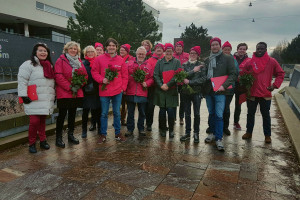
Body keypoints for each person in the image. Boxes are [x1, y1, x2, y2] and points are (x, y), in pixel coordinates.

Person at [242, 42, 284, 143]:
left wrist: (274, 85)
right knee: (250, 114)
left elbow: (281, 73)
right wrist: (245, 82)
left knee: (266, 115)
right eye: (258, 48)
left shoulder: (272, 61)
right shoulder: (250, 61)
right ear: (256, 49)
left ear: (265, 49)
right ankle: (249, 132)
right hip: (252, 93)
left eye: (262, 49)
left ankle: (267, 135)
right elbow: (243, 72)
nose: (260, 50)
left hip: (265, 94)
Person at [18, 43, 55, 153]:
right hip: (33, 99)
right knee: (34, 122)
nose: (43, 52)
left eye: (45, 51)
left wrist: (54, 96)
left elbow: (51, 83)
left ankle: (43, 141)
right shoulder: (28, 64)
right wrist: (23, 95)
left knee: (42, 121)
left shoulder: (49, 65)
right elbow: (22, 81)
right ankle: (32, 143)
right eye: (40, 50)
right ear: (35, 52)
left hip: (45, 98)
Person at [203, 37, 237, 151]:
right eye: (212, 45)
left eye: (216, 44)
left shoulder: (227, 58)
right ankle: (212, 133)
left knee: (219, 115)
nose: (214, 47)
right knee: (211, 113)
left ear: (220, 46)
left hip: (221, 91)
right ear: (210, 47)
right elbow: (204, 76)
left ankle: (218, 138)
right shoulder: (207, 60)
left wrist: (224, 85)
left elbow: (233, 74)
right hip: (209, 91)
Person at [92, 38, 128, 143]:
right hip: (104, 91)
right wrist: (102, 79)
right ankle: (103, 134)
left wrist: (123, 88)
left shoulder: (121, 60)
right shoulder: (99, 59)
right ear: (106, 47)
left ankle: (117, 133)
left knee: (117, 112)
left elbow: (125, 76)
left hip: (117, 91)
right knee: (104, 113)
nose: (111, 47)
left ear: (116, 47)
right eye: (109, 45)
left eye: (113, 45)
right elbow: (94, 72)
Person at [54, 41, 86, 148]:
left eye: (75, 49)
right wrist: (70, 87)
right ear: (67, 49)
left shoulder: (79, 61)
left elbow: (85, 75)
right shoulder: (60, 60)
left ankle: (70, 135)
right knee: (62, 115)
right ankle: (58, 138)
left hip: (75, 92)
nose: (73, 50)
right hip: (64, 92)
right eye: (71, 48)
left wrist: (79, 84)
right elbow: (58, 76)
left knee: (72, 114)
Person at [179, 46, 207, 143]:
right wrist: (193, 71)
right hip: (186, 93)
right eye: (191, 53)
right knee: (187, 113)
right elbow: (182, 76)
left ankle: (196, 133)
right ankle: (187, 132)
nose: (192, 55)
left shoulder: (201, 65)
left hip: (197, 92)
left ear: (198, 55)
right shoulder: (184, 64)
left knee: (197, 113)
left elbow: (203, 79)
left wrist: (190, 82)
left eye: (194, 53)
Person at [125, 46, 154, 137]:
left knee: (142, 112)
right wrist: (125, 88)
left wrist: (147, 83)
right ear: (136, 54)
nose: (140, 55)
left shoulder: (149, 66)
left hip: (142, 92)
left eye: (142, 54)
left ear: (145, 55)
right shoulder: (129, 64)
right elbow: (125, 76)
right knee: (130, 112)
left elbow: (152, 78)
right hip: (131, 91)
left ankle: (141, 128)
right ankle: (130, 129)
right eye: (139, 54)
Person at [153, 43, 181, 138]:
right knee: (162, 111)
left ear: (173, 52)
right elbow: (156, 75)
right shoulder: (159, 62)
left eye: (170, 51)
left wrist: (168, 85)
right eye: (167, 51)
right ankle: (163, 129)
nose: (169, 53)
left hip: (171, 90)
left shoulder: (177, 62)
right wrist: (161, 85)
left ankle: (171, 129)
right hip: (161, 90)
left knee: (170, 111)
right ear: (165, 52)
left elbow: (178, 74)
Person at [81, 45, 101, 138]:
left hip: (97, 90)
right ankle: (84, 130)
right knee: (85, 111)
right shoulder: (82, 63)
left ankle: (100, 129)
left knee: (97, 110)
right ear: (85, 53)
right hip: (86, 91)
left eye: (92, 51)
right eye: (88, 52)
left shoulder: (98, 62)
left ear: (95, 53)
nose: (90, 53)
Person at [221, 41, 239, 136]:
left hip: (229, 88)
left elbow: (235, 73)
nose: (227, 51)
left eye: (228, 50)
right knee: (217, 108)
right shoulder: (219, 59)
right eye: (225, 49)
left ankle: (225, 127)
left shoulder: (233, 60)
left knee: (226, 108)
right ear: (222, 50)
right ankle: (214, 126)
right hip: (218, 86)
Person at [145, 43, 165, 131]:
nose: (159, 49)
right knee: (150, 106)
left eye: (161, 48)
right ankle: (149, 124)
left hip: (162, 86)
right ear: (155, 50)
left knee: (163, 107)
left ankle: (162, 125)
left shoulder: (166, 59)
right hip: (152, 86)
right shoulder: (150, 60)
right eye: (157, 48)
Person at [233, 43, 251, 130]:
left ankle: (236, 122)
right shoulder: (231, 58)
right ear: (237, 49)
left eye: (244, 49)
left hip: (241, 85)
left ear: (246, 50)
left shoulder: (249, 60)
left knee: (238, 104)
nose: (242, 50)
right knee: (226, 105)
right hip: (231, 83)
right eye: (240, 49)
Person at [173, 41, 189, 125]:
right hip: (175, 82)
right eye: (177, 46)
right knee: (174, 99)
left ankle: (181, 117)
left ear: (182, 48)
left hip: (183, 82)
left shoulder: (187, 55)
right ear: (175, 48)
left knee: (183, 100)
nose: (178, 48)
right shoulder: (172, 56)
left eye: (180, 46)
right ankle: (174, 117)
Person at [119, 44, 133, 126]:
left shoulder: (131, 59)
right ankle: (118, 119)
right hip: (118, 84)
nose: (121, 51)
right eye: (120, 50)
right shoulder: (117, 58)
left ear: (127, 51)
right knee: (118, 103)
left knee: (126, 103)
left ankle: (124, 119)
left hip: (127, 84)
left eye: (123, 50)